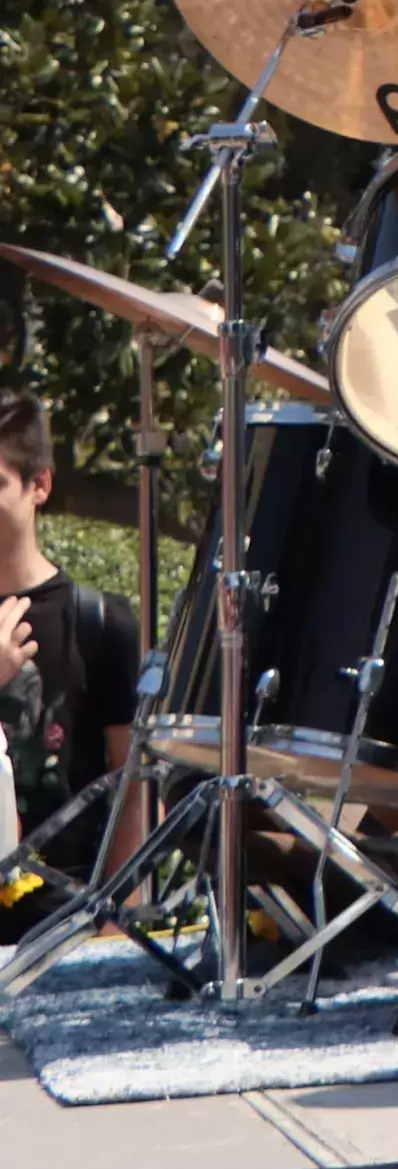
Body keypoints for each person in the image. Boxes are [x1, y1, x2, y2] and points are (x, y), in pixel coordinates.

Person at [0, 396, 145, 934]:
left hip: (65, 921)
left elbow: (133, 784)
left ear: (39, 485)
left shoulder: (101, 621)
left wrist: (111, 922)